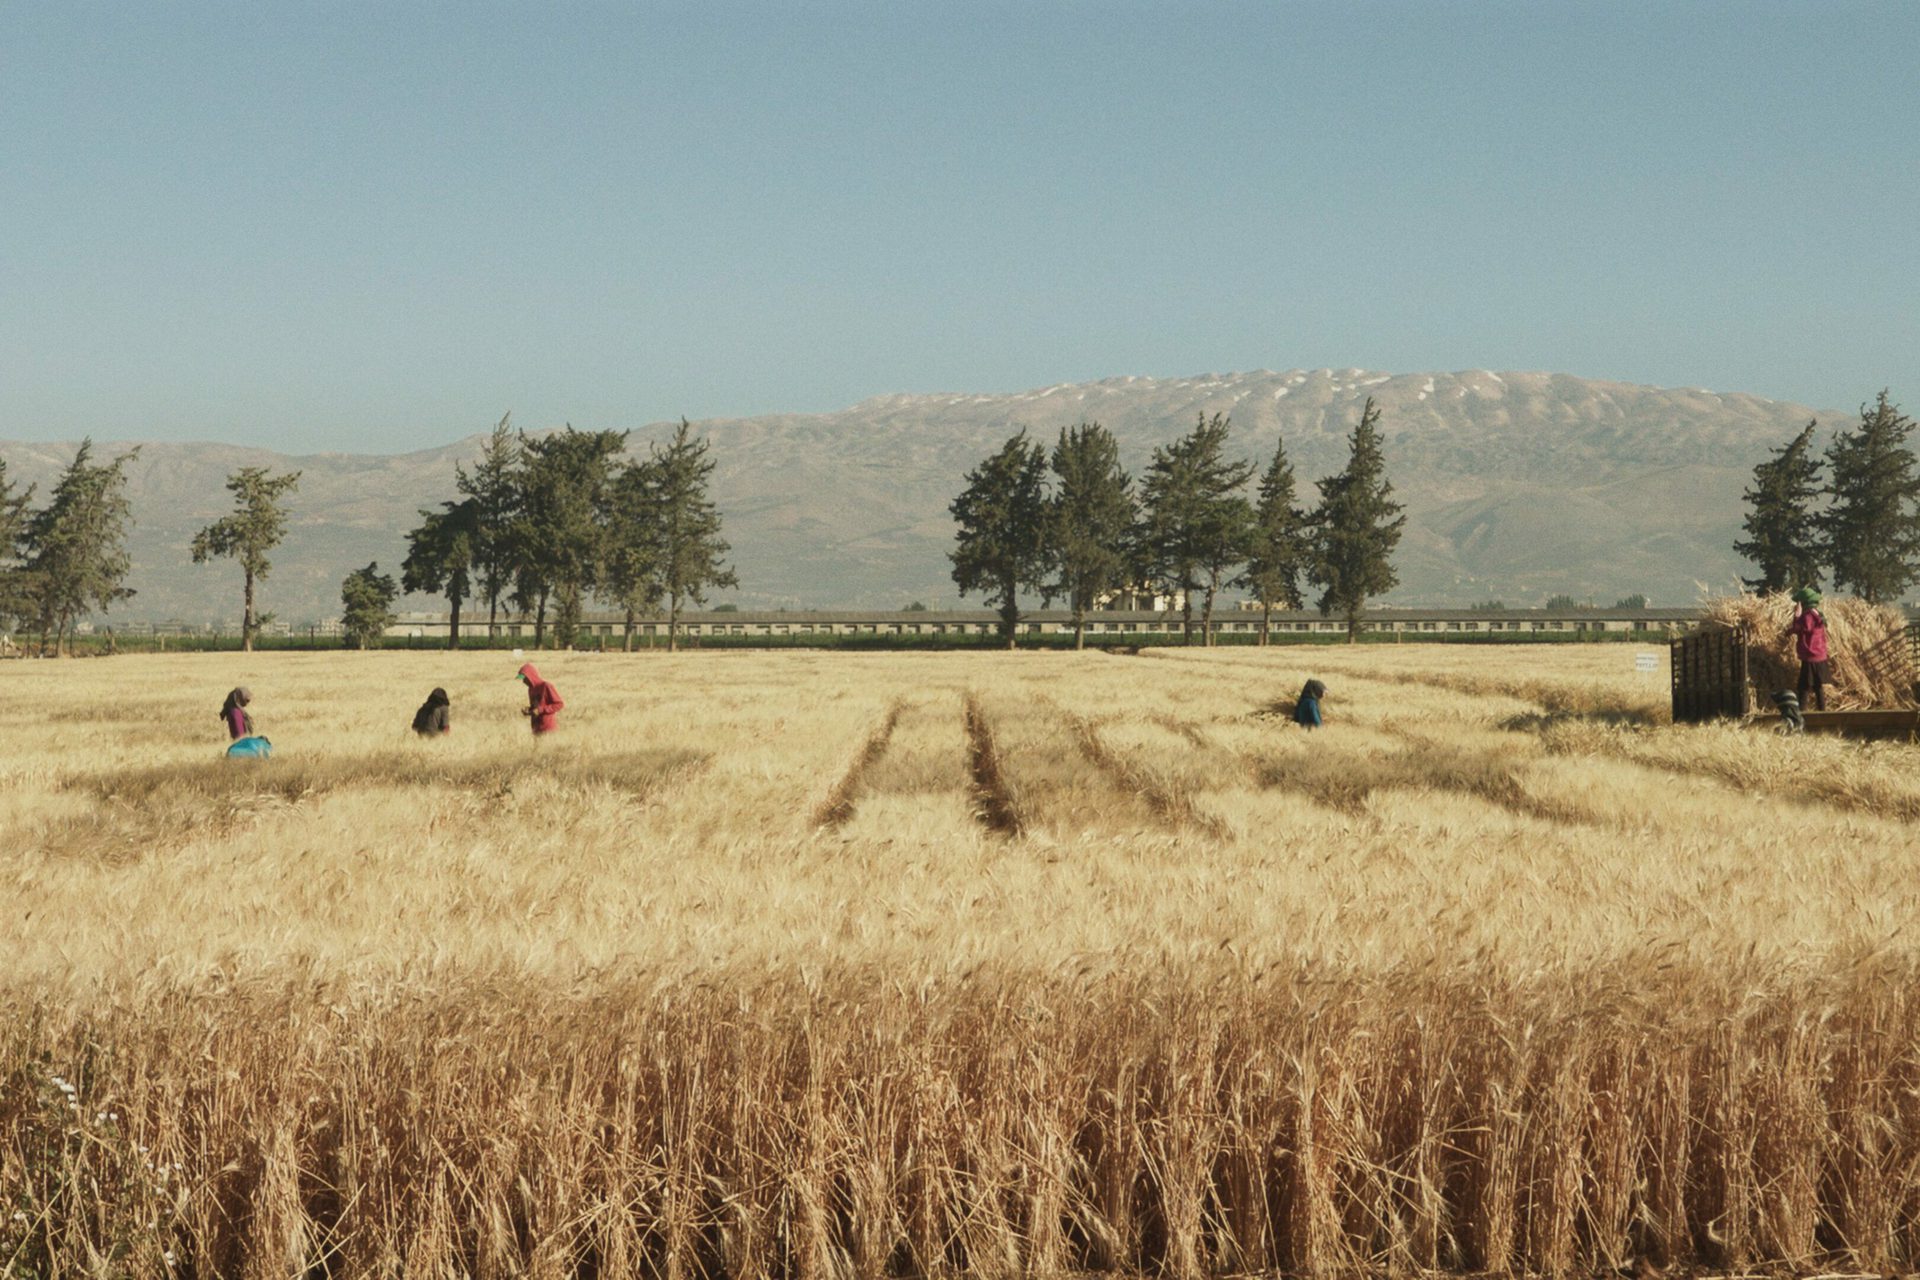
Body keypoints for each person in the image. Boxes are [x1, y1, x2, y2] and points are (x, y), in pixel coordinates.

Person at [1787, 587, 1829, 713]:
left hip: (1811, 655)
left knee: (1804, 686)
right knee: (1817, 685)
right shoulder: (1817, 614)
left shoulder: (1808, 616)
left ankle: (1802, 712)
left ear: (1803, 603)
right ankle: (1823, 711)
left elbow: (1800, 628)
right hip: (1820, 655)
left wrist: (1797, 616)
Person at [517, 663, 563, 734]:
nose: (523, 682)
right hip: (536, 729)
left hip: (548, 729)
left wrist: (540, 710)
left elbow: (559, 704)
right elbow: (536, 707)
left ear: (531, 676)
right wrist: (529, 710)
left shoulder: (546, 686)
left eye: (524, 678)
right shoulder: (531, 689)